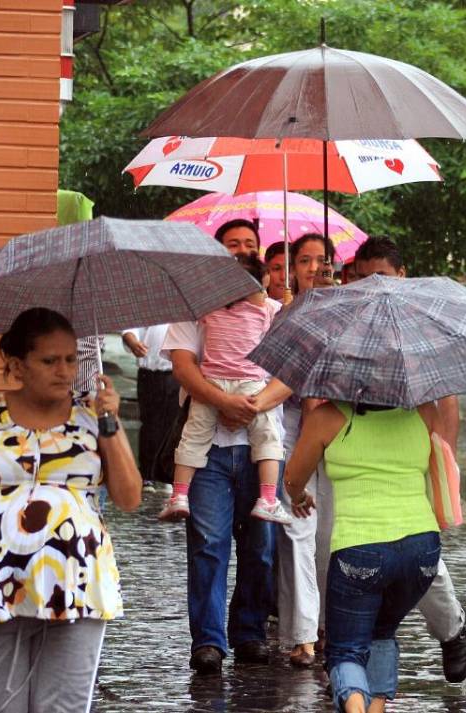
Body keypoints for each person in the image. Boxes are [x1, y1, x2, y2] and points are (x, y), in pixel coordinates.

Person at [0, 308, 141, 712]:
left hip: (77, 581)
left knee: (64, 707)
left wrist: (110, 420)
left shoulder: (94, 415)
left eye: (71, 359)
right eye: (50, 360)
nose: (64, 370)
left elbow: (129, 497)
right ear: (18, 366)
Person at [337, 236, 466, 682]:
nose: (372, 286)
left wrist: (440, 462)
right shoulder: (347, 318)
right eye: (363, 277)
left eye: (381, 276)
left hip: (412, 448)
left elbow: (445, 398)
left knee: (423, 558)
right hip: (361, 450)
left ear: (402, 273)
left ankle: (451, 628)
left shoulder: (424, 320)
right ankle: (348, 642)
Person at [163, 219, 292, 674]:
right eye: (232, 246)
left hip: (262, 454)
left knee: (260, 547)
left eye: (248, 246)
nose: (240, 251)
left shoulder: (277, 311)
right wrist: (223, 402)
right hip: (211, 451)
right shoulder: (196, 308)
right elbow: (183, 366)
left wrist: (254, 405)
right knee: (208, 544)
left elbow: (290, 374)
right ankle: (209, 641)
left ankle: (251, 632)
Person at [286, 397, 447, 713]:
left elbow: (293, 478)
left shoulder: (327, 417)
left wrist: (299, 496)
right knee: (382, 632)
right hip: (422, 550)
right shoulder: (426, 411)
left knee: (345, 650)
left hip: (361, 549)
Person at [159, 253, 291, 525]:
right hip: (251, 385)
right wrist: (286, 306)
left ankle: (179, 494)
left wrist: (224, 402)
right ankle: (268, 499)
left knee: (192, 438)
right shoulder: (268, 311)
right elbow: (290, 361)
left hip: (212, 382)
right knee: (268, 440)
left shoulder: (207, 309)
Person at [275, 232, 337, 668]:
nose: (313, 268)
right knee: (296, 531)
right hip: (293, 431)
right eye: (304, 261)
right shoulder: (279, 317)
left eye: (321, 260)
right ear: (292, 268)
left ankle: (331, 625)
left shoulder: (347, 312)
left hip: (337, 435)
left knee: (329, 538)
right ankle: (302, 636)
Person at [122, 323, 181, 488]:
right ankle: (147, 474)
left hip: (176, 373)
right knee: (150, 424)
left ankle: (168, 475)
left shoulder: (183, 307)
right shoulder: (148, 302)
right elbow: (130, 328)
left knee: (173, 424)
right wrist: (132, 342)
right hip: (148, 372)